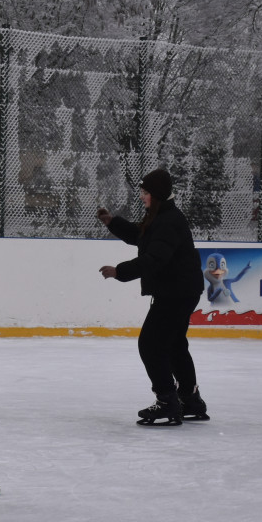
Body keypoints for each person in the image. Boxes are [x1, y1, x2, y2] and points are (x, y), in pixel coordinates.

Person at [97, 168, 206, 425]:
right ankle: (189, 399)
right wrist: (113, 222)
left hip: (176, 293)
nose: (142, 197)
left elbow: (154, 258)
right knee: (175, 344)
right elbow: (141, 235)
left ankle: (167, 401)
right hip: (181, 291)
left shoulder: (169, 221)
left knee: (151, 344)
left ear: (156, 194)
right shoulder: (161, 217)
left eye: (145, 193)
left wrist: (119, 271)